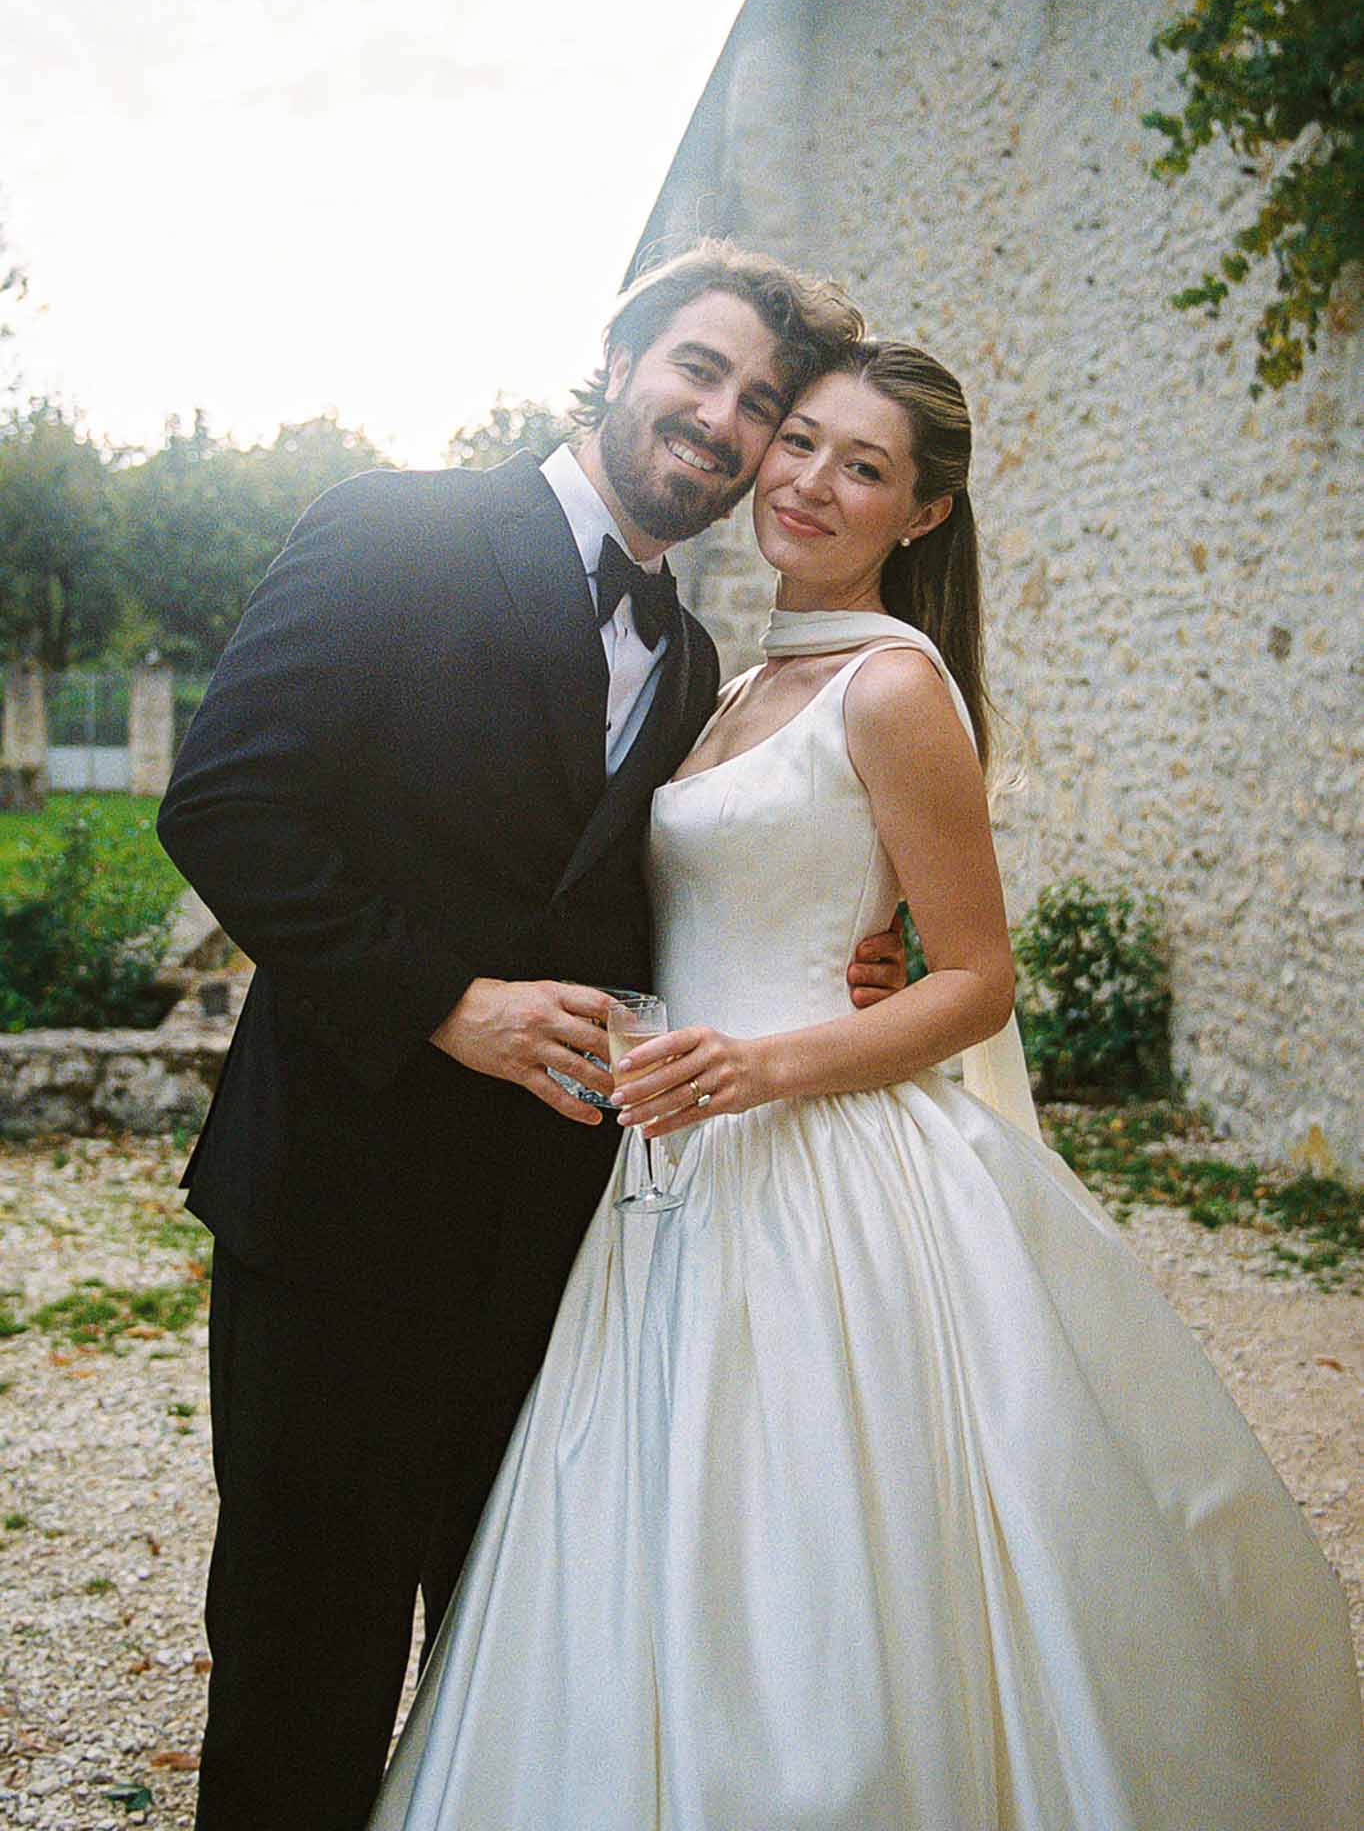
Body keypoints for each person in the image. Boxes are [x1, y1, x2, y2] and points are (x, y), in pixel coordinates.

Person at [369, 340, 1364, 1829]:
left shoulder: (898, 687)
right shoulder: (740, 675)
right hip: (671, 1172)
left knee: (816, 1567)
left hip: (815, 1167)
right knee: (643, 1543)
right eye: (802, 442)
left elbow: (977, 977)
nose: (811, 482)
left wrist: (766, 1058)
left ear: (924, 514)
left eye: (866, 467)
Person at [156, 240, 915, 1831]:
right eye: (698, 370)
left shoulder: (702, 663)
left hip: (562, 1252)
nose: (720, 419)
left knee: (522, 1664)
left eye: (757, 404)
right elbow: (228, 801)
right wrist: (446, 1001)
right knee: (307, 1656)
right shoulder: (392, 529)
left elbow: (663, 906)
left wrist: (840, 954)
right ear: (622, 359)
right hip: (340, 1217)